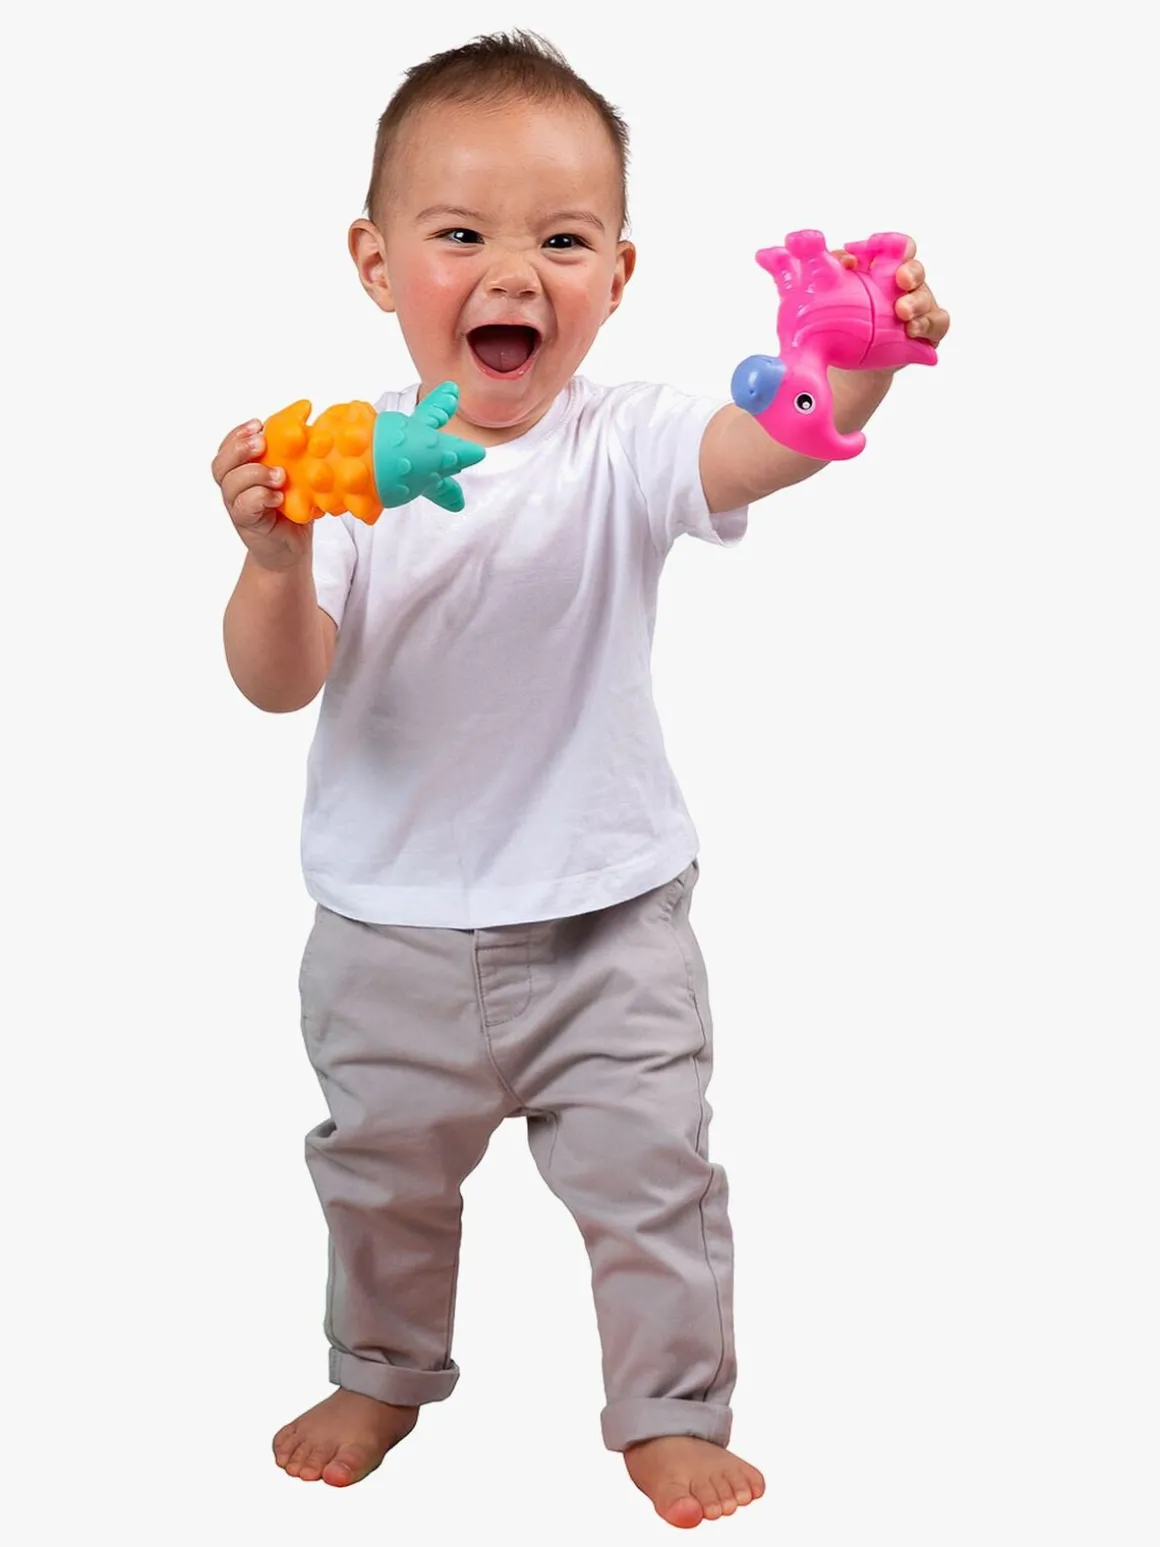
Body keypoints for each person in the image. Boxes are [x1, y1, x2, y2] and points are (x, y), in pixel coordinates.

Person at [211, 29, 949, 1530]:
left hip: (609, 927)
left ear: (617, 274)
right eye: (460, 236)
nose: (514, 273)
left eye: (561, 240)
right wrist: (273, 559)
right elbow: (278, 681)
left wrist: (855, 371)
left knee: (655, 1178)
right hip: (388, 933)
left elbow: (766, 447)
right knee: (380, 1179)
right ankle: (382, 1370)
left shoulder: (627, 438)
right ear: (376, 262)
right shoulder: (344, 467)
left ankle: (669, 1404)